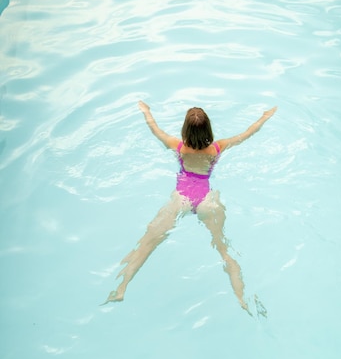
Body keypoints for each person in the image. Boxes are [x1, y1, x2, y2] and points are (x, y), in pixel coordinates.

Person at [104, 101, 277, 315]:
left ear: (185, 129)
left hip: (182, 197)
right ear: (209, 130)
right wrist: (264, 117)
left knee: (147, 244)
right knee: (224, 251)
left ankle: (121, 288)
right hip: (207, 200)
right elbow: (247, 133)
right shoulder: (217, 148)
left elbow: (154, 128)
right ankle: (243, 300)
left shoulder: (178, 146)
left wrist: (147, 111)